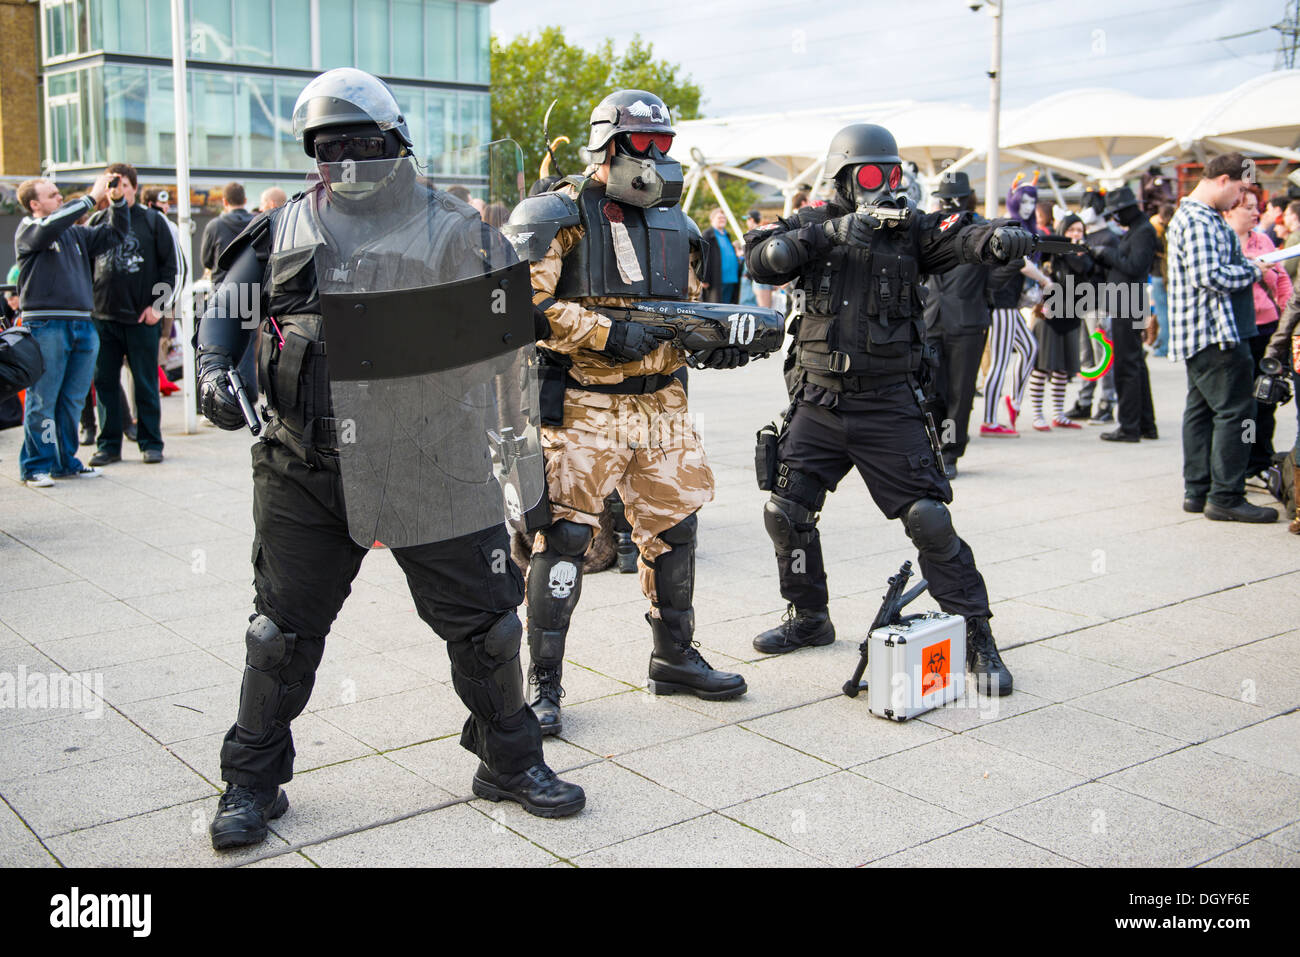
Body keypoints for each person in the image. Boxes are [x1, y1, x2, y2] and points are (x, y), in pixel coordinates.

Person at [195, 67, 584, 849]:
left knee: (488, 629)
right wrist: (210, 368)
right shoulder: (280, 228)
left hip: (431, 463)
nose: (345, 159)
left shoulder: (459, 230)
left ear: (395, 141)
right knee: (277, 634)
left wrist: (523, 462)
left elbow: (512, 346)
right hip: (306, 464)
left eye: (360, 143)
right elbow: (226, 312)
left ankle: (509, 760)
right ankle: (251, 781)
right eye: (328, 146)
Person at [743, 122, 1036, 694]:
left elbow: (964, 237)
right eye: (871, 175)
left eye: (892, 174)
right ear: (843, 179)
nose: (884, 187)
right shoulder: (813, 225)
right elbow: (764, 259)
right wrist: (835, 231)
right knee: (786, 511)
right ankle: (809, 617)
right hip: (820, 402)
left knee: (929, 519)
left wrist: (1000, 239)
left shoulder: (913, 233)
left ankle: (977, 634)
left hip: (889, 406)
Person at [504, 88, 749, 737]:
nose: (656, 158)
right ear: (607, 145)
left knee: (676, 524)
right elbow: (518, 305)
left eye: (664, 144)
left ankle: (673, 656)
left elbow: (693, 310)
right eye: (644, 144)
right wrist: (604, 335)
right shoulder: (557, 210)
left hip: (663, 398)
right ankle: (544, 683)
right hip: (585, 399)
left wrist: (715, 346)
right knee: (563, 538)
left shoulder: (678, 222)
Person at [1165, 152, 1277, 523]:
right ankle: (1226, 495)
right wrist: (1252, 270)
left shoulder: (1197, 216)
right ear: (1224, 180)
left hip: (1203, 333)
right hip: (1216, 332)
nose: (1240, 200)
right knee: (1236, 412)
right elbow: (1209, 276)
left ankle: (1198, 490)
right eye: (1241, 189)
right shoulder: (1199, 219)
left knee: (1200, 411)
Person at [14, 173, 127, 487]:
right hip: (46, 325)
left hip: (81, 323)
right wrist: (91, 197)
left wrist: (117, 203)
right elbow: (49, 226)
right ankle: (37, 465)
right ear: (35, 204)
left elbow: (116, 234)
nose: (59, 198)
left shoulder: (76, 234)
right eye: (52, 195)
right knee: (43, 399)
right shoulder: (30, 229)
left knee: (73, 399)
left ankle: (66, 462)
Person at [84, 164, 178, 467]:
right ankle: (109, 445)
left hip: (142, 319)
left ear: (133, 187)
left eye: (121, 183)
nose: (116, 189)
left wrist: (157, 308)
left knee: (146, 383)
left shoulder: (153, 222)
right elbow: (85, 266)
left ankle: (151, 442)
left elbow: (171, 268)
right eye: (111, 183)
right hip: (103, 318)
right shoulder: (98, 220)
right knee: (106, 383)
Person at [921, 171, 992, 476]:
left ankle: (950, 452)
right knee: (932, 391)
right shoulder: (932, 225)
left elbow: (1011, 261)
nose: (948, 203)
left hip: (966, 322)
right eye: (944, 198)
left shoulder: (982, 227)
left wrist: (980, 290)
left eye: (954, 197)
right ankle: (936, 448)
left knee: (960, 394)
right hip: (932, 318)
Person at [1225, 185, 1292, 478]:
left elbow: (1283, 281)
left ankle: (1260, 461)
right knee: (1240, 404)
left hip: (1266, 329)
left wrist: (1287, 318)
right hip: (1237, 331)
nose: (1256, 213)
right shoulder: (1222, 242)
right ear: (1229, 210)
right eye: (1248, 207)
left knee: (1265, 399)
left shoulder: (1263, 240)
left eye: (1257, 207)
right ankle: (1238, 464)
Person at [980, 173, 1046, 436]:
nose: (1029, 206)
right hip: (1001, 303)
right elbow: (1021, 262)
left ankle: (1013, 401)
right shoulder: (1009, 227)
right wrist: (1045, 281)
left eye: (1033, 202)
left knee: (1029, 348)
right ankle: (989, 420)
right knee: (1000, 362)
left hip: (1010, 304)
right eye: (1025, 201)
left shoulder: (1024, 228)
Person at [1092, 186, 1158, 443]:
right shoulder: (1137, 230)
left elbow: (1135, 266)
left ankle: (1129, 426)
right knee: (1135, 364)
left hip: (1128, 301)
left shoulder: (1143, 232)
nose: (1115, 218)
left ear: (1129, 209)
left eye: (1118, 212)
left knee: (1127, 365)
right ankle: (1144, 424)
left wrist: (1107, 254)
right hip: (1127, 300)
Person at [1028, 214, 1090, 431]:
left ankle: (1058, 414)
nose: (1076, 234)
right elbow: (1039, 242)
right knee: (1042, 368)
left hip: (1071, 318)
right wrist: (1065, 241)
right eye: (1071, 229)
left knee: (1063, 369)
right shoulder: (1053, 253)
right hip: (1048, 317)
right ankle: (1036, 414)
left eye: (1080, 231)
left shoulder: (1085, 256)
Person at [1064, 189, 1120, 423]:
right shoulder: (1085, 237)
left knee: (1102, 356)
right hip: (1083, 304)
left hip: (1100, 304)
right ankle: (1085, 401)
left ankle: (1107, 403)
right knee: (1086, 356)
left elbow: (1112, 274)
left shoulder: (1109, 238)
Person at [701, 206, 742, 303]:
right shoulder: (708, 235)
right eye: (719, 218)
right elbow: (704, 257)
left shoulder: (727, 235)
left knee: (728, 307)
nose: (722, 220)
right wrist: (704, 278)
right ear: (712, 219)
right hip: (717, 279)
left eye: (724, 218)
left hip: (731, 278)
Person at [1150, 202, 1175, 358]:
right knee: (1168, 312)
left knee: (1162, 312)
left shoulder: (1158, 231)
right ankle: (1162, 341)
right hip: (1170, 275)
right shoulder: (1175, 229)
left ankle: (1164, 345)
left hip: (1159, 274)